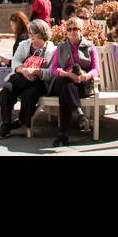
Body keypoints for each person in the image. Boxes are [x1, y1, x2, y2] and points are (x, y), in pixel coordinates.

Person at [0, 19, 56, 139]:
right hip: (20, 77)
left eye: (34, 34)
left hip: (39, 81)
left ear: (42, 34)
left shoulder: (52, 50)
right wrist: (24, 70)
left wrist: (36, 72)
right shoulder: (24, 44)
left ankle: (22, 120)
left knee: (30, 94)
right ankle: (6, 124)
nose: (31, 37)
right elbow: (15, 61)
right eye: (30, 34)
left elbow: (51, 72)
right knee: (6, 90)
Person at [46, 17, 98, 147]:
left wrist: (85, 76)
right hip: (62, 79)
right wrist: (68, 74)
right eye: (69, 29)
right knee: (65, 81)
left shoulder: (90, 46)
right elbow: (54, 68)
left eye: (75, 29)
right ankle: (79, 112)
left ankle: (63, 135)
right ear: (66, 32)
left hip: (81, 84)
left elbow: (96, 69)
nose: (72, 32)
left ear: (81, 30)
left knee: (66, 92)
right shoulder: (61, 47)